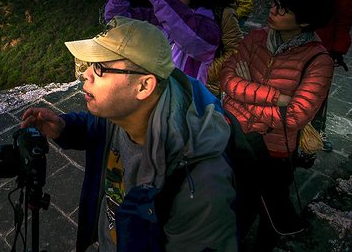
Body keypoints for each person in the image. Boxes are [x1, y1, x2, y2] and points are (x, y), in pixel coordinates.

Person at [21, 16, 237, 252]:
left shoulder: (199, 187)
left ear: (144, 86)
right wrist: (65, 127)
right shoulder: (122, 113)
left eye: (101, 68)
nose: (86, 75)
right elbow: (98, 127)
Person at [220, 0, 335, 251]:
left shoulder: (318, 61)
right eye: (275, 3)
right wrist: (274, 97)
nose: (273, 10)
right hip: (236, 137)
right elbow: (227, 78)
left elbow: (295, 116)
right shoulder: (256, 38)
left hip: (273, 150)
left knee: (269, 207)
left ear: (305, 21)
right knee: (237, 200)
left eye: (283, 9)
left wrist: (242, 94)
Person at [104, 0, 222, 84]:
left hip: (184, 99)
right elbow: (117, 22)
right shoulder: (158, 15)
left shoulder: (207, 27)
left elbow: (192, 38)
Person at [295, 0, 352, 151]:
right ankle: (292, 130)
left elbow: (344, 22)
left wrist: (338, 50)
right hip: (296, 44)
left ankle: (318, 132)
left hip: (323, 47)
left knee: (318, 93)